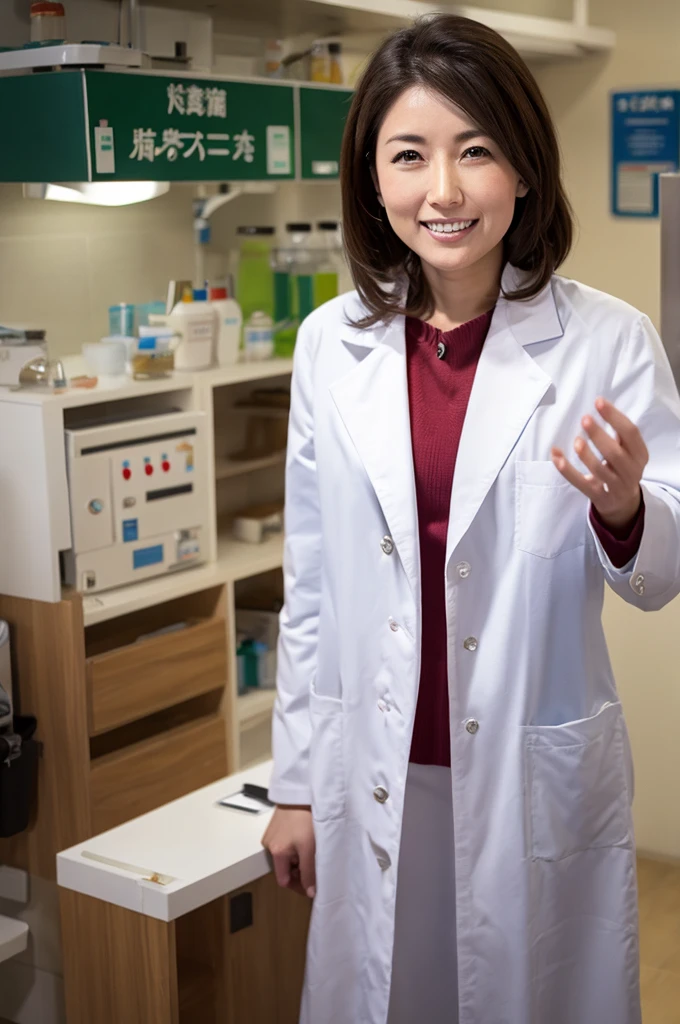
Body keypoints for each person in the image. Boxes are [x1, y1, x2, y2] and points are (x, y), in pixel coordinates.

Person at [262, 13, 680, 1024]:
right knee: (388, 992)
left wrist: (625, 508)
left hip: (526, 764)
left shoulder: (606, 342)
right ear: (372, 178)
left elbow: (661, 567)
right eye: (408, 155)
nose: (441, 191)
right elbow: (310, 577)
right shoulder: (331, 342)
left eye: (475, 151)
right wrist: (290, 782)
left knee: (529, 992)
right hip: (375, 762)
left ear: (524, 170)